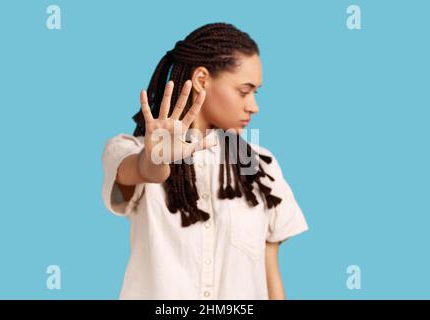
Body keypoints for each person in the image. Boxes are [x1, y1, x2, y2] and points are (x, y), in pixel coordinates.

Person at [101, 22, 308, 300]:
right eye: (243, 91)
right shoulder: (128, 149)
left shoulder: (262, 167)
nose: (253, 106)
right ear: (201, 80)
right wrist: (154, 159)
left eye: (255, 93)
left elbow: (271, 275)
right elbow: (144, 171)